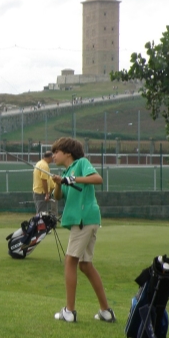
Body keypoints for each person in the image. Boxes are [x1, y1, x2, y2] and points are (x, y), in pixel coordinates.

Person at [50, 137, 115, 323]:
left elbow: (98, 179)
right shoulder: (66, 171)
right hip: (86, 220)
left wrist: (71, 179)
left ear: (68, 153)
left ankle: (69, 311)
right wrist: (58, 183)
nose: (53, 155)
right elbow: (59, 196)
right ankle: (106, 311)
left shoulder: (81, 164)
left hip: (83, 219)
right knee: (85, 265)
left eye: (56, 152)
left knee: (70, 261)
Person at [32, 151, 57, 215]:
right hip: (41, 192)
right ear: (50, 157)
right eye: (53, 157)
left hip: (37, 191)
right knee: (42, 213)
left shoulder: (39, 163)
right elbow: (44, 181)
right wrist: (47, 194)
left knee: (41, 211)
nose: (53, 159)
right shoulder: (44, 166)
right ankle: (40, 224)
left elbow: (47, 179)